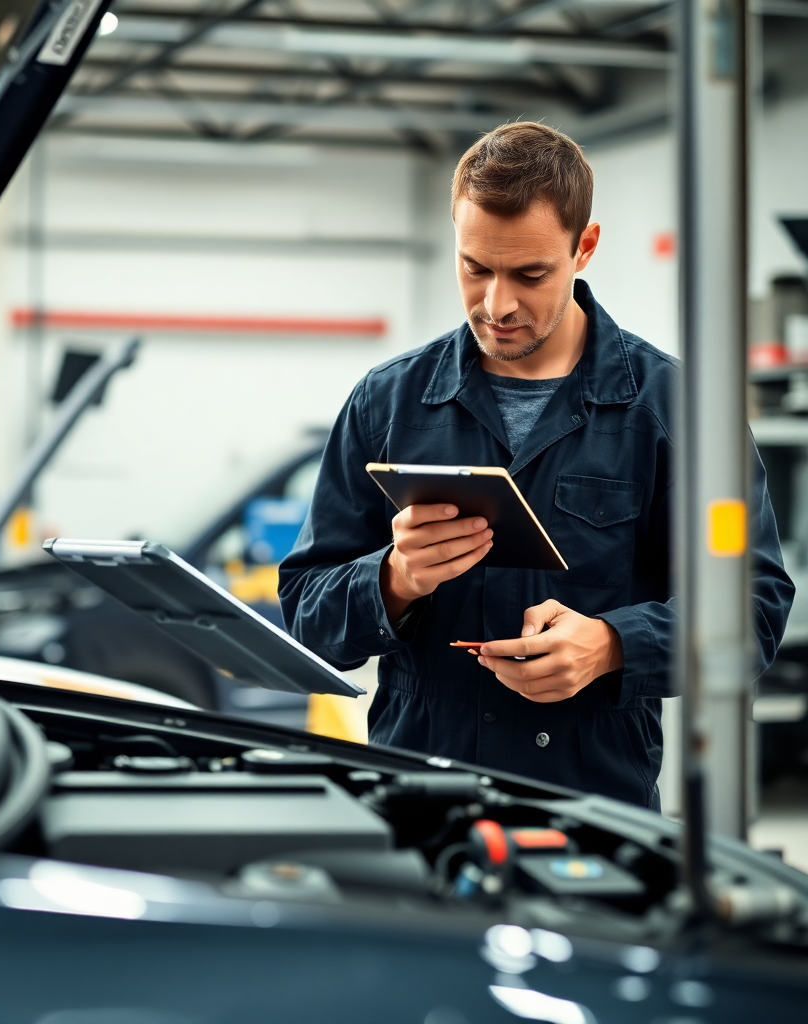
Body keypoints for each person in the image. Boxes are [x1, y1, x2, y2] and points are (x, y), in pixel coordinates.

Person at [278, 122, 794, 809]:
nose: (497, 305)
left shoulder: (680, 411)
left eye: (530, 274)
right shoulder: (387, 403)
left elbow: (750, 606)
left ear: (584, 248)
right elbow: (305, 612)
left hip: (592, 802)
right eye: (475, 268)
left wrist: (613, 644)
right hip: (420, 796)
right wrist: (394, 579)